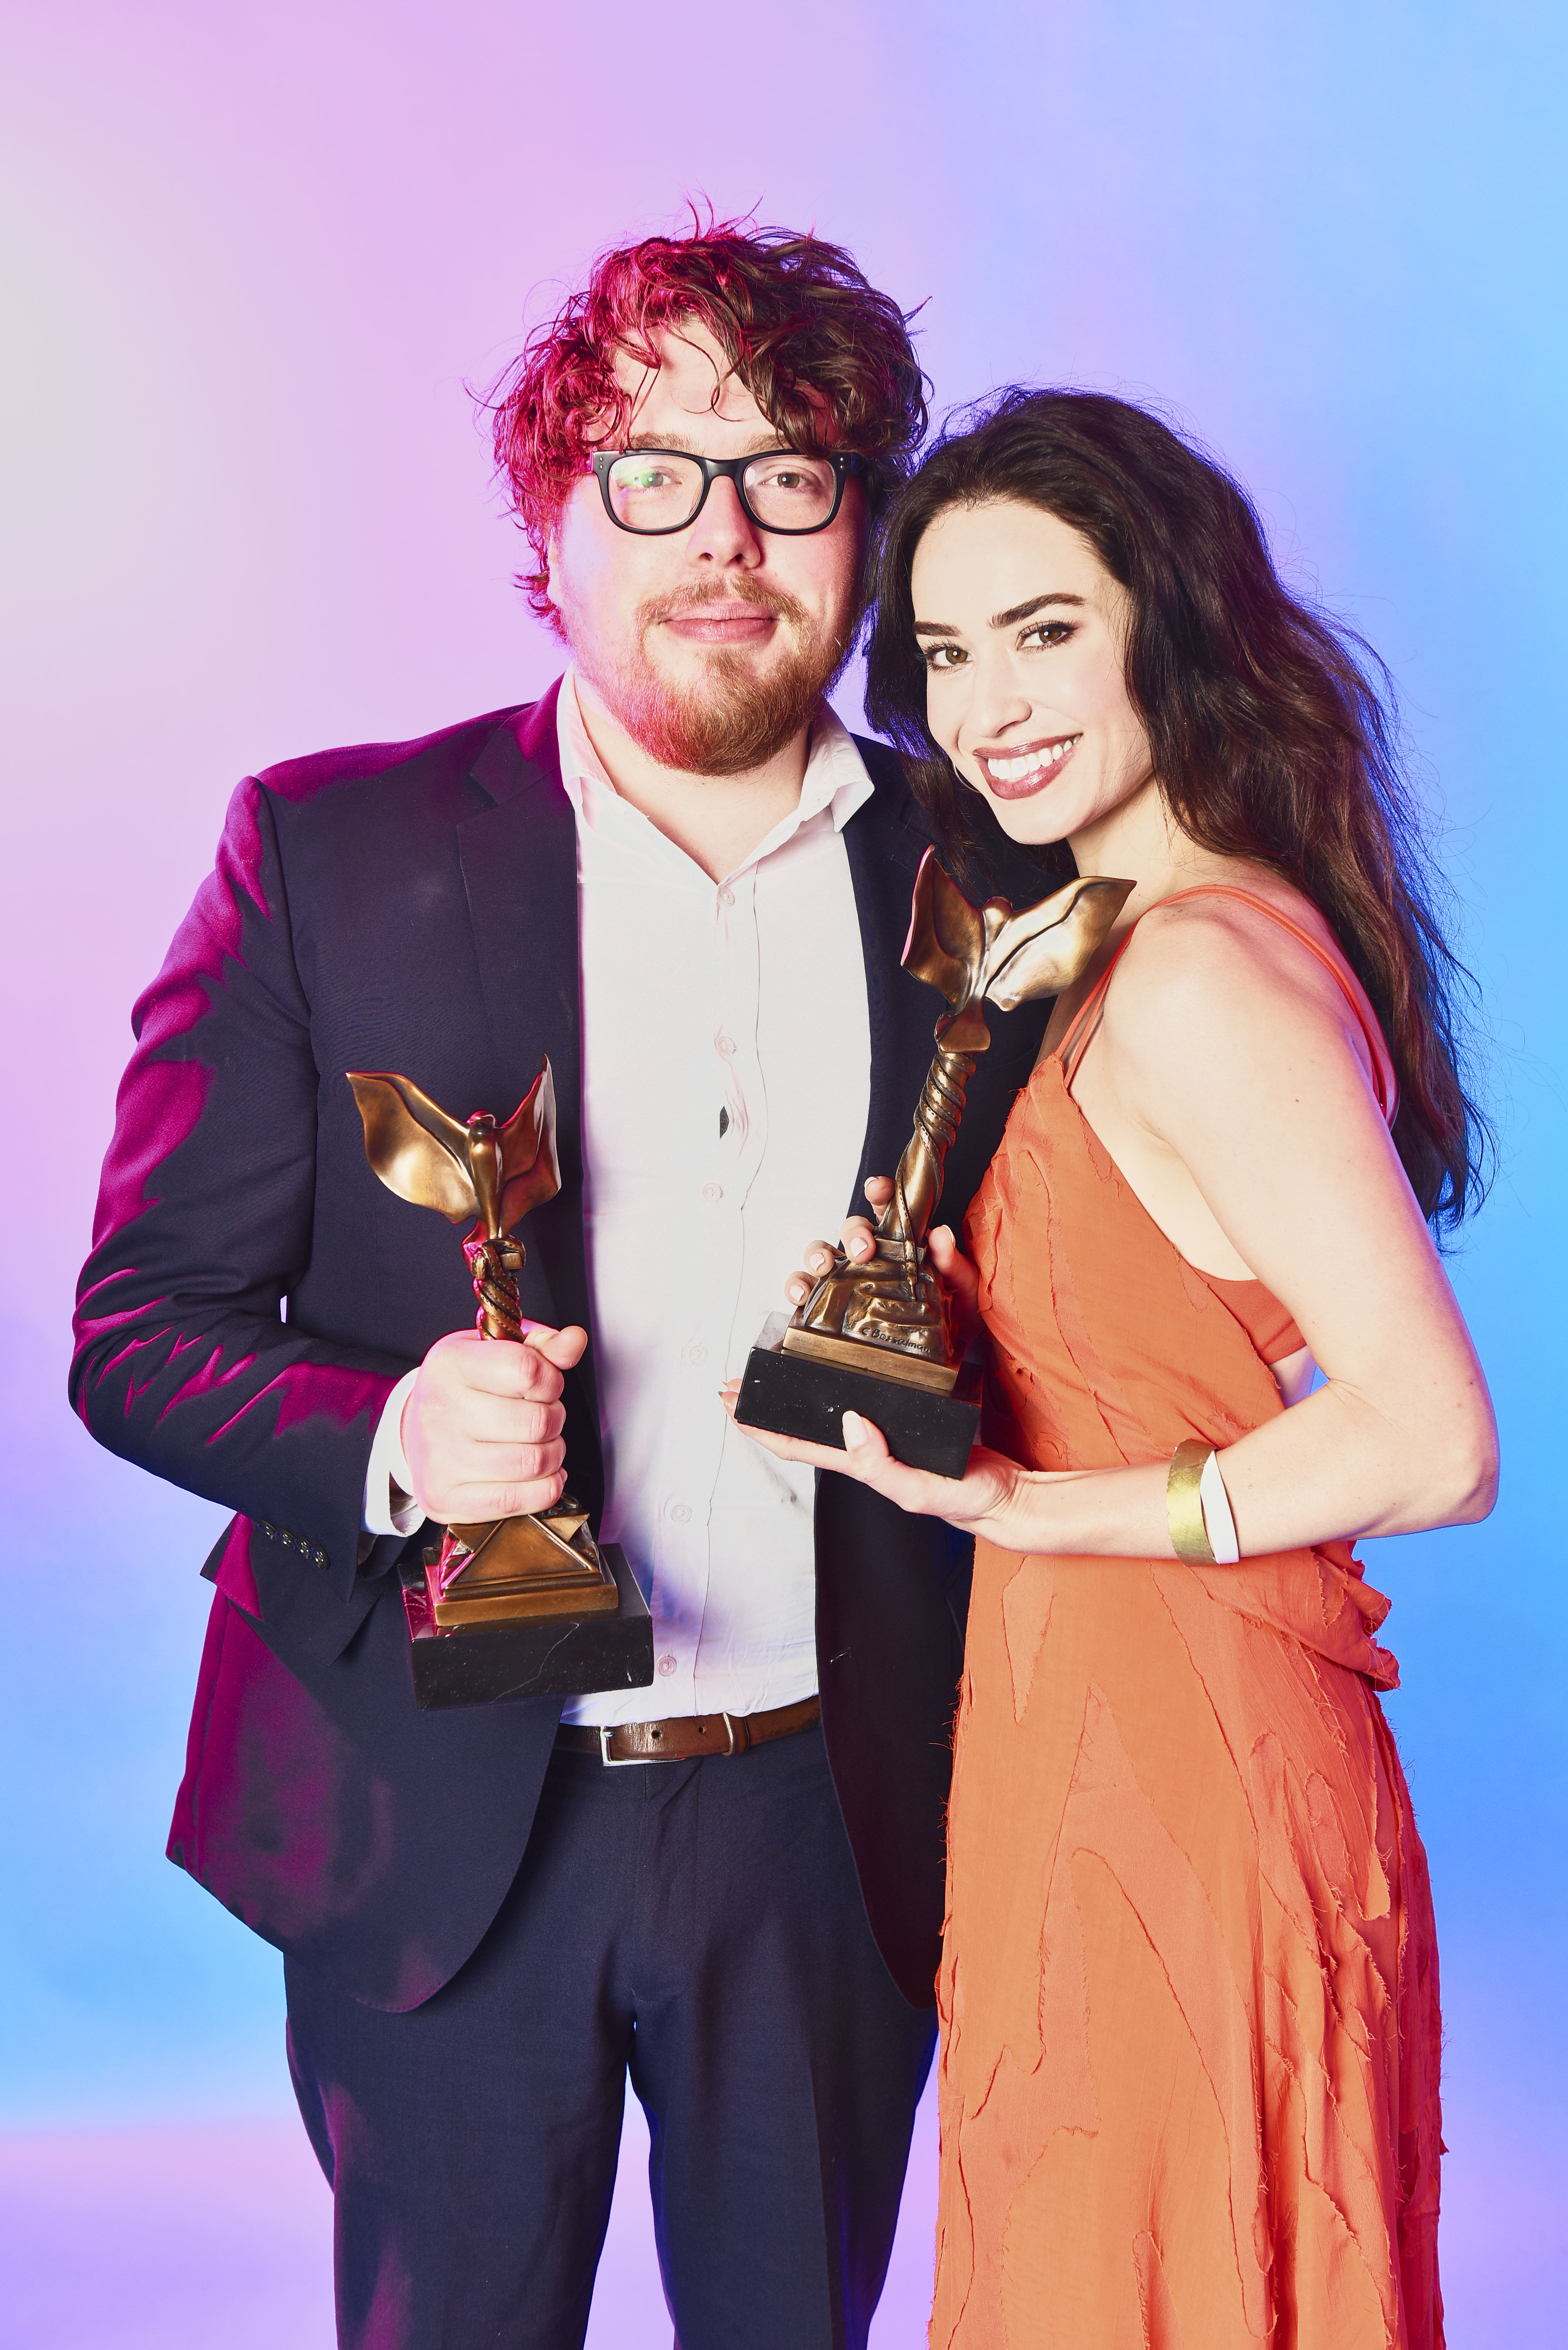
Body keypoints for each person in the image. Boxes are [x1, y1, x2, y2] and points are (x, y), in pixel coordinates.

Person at [68, 227, 1058, 2350]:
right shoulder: (323, 851)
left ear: (861, 527)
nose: (723, 535)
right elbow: (135, 1326)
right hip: (435, 1821)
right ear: (550, 517)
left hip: (835, 1815)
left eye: (789, 471)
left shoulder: (989, 881)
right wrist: (395, 1436)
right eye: (652, 471)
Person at [730, 389, 1497, 2349]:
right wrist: (921, 1311)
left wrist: (1027, 1500)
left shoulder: (1196, 969)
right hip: (1080, 1739)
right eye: (946, 650)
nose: (983, 701)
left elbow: (1430, 1439)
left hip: (1186, 1771)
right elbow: (1146, 1307)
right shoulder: (1096, 931)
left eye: (1043, 628)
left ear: (1169, 617)